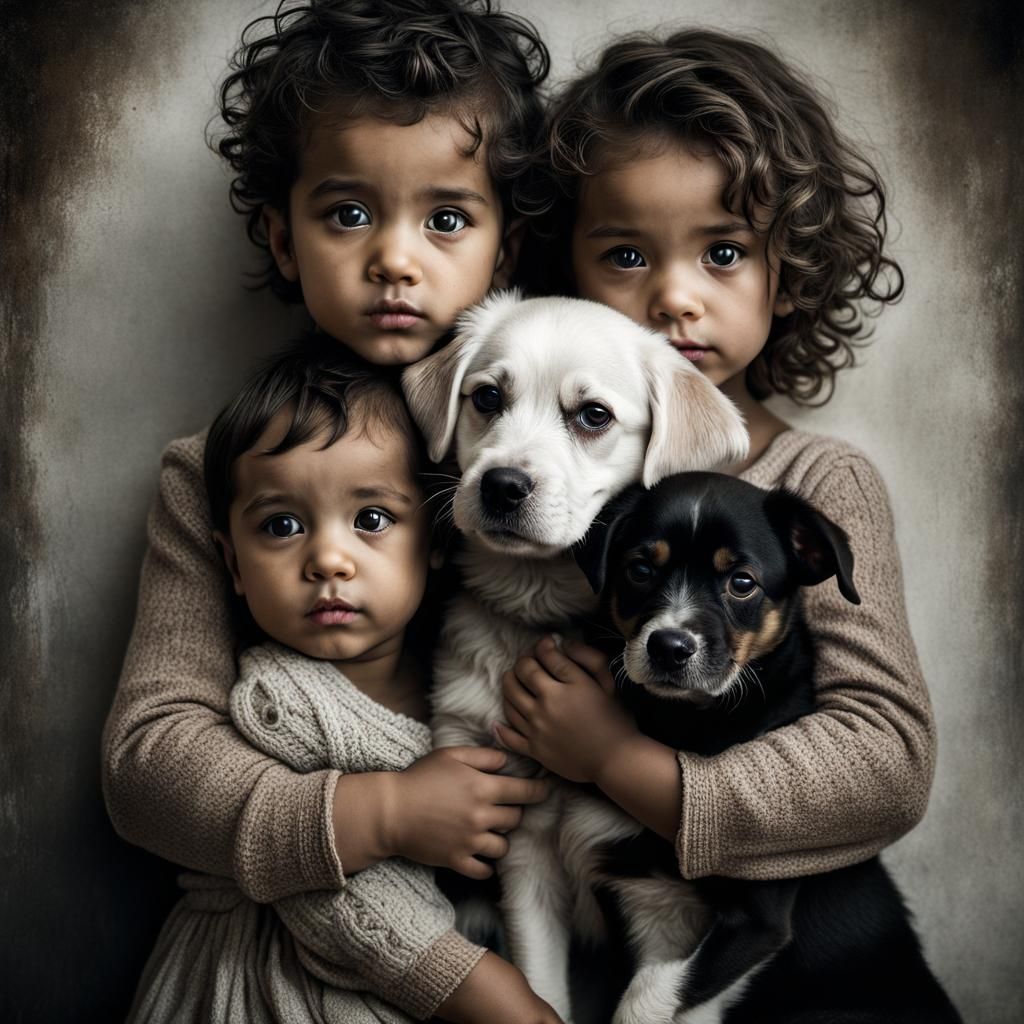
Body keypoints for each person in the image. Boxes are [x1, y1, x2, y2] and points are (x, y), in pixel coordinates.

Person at [103, 1, 556, 1020]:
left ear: (506, 249)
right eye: (348, 214)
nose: (396, 259)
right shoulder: (209, 473)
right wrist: (379, 811)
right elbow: (148, 763)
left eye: (446, 219)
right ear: (283, 233)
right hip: (259, 962)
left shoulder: (527, 478)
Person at [498, 29, 936, 886]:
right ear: (567, 267)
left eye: (723, 253)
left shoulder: (815, 483)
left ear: (791, 270)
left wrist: (622, 763)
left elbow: (886, 761)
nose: (674, 296)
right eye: (626, 254)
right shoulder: (523, 474)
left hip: (746, 962)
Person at [127, 345, 557, 1022]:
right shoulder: (279, 703)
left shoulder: (465, 687)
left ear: (440, 537)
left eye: (373, 520)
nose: (329, 558)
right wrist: (478, 989)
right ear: (230, 563)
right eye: (283, 526)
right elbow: (336, 900)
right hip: (261, 990)